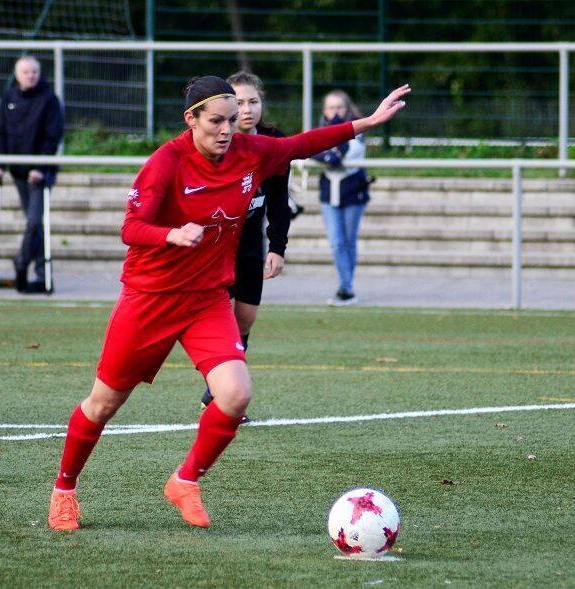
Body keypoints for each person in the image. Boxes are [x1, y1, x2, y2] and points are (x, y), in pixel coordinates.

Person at [46, 76, 410, 532]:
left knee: (236, 395)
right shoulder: (165, 163)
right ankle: (64, 490)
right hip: (150, 300)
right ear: (191, 119)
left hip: (207, 300)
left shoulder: (250, 152)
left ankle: (185, 481)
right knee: (103, 404)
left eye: (232, 120)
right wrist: (170, 234)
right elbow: (131, 228)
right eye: (216, 121)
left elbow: (302, 144)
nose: (226, 130)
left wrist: (367, 122)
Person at [199, 71, 292, 419]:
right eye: (238, 102)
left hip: (251, 243)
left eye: (253, 101)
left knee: (245, 319)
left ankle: (218, 391)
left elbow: (279, 200)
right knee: (220, 319)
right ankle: (221, 395)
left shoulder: (273, 143)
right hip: (216, 245)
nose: (247, 109)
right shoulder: (215, 142)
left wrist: (278, 247)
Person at [0, 55, 63, 294]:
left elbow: (53, 135)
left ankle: (21, 261)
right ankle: (42, 275)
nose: (30, 76)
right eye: (26, 72)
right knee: (35, 225)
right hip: (19, 171)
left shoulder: (49, 99)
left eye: (34, 72)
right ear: (17, 74)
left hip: (41, 173)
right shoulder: (9, 96)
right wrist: (1, 165)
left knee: (33, 221)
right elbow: (2, 132)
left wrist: (40, 167)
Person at [313, 90, 373, 306]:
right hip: (329, 192)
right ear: (324, 110)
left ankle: (346, 288)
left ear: (347, 109)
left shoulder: (359, 129)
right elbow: (313, 150)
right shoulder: (320, 129)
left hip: (353, 191)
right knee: (337, 243)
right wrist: (326, 152)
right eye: (331, 108)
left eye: (339, 107)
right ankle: (346, 289)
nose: (335, 112)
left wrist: (327, 151)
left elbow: (340, 156)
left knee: (349, 241)